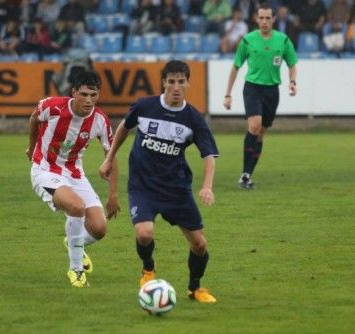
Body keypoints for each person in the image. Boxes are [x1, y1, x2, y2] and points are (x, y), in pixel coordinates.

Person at [100, 60, 219, 303]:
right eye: (171, 81)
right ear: (163, 82)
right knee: (144, 233)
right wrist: (109, 158)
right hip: (143, 186)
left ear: (188, 83)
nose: (176, 86)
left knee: (199, 244)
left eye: (181, 81)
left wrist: (207, 186)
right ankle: (148, 269)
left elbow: (208, 156)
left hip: (176, 189)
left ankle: (195, 288)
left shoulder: (193, 119)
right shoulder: (145, 106)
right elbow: (124, 127)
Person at [26, 71, 120, 288]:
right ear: (74, 92)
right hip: (45, 171)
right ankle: (76, 270)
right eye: (84, 94)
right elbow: (34, 119)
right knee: (77, 207)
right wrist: (32, 149)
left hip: (75, 174)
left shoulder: (100, 121)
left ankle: (73, 241)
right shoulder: (52, 106)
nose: (89, 101)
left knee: (99, 229)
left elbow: (111, 156)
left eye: (93, 95)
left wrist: (113, 195)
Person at [223, 4, 298, 190]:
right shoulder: (247, 41)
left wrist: (293, 81)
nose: (264, 21)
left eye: (268, 18)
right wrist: (227, 94)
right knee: (254, 126)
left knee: (261, 133)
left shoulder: (283, 40)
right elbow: (236, 67)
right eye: (261, 18)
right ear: (256, 19)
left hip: (272, 91)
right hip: (252, 89)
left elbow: (292, 64)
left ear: (273, 19)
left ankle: (247, 175)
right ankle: (245, 175)